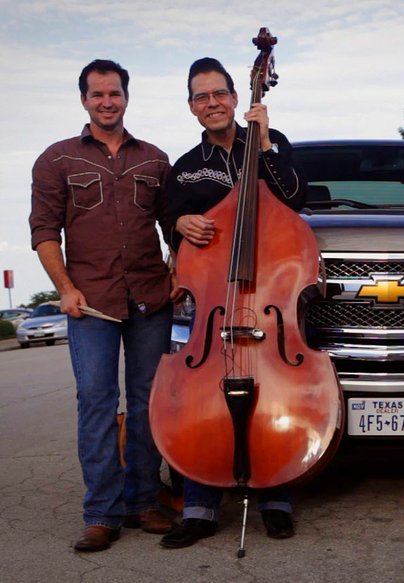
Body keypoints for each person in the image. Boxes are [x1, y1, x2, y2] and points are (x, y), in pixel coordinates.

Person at [29, 59, 178, 552]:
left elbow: (174, 226)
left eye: (114, 93)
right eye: (98, 95)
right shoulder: (56, 160)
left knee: (147, 403)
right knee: (95, 402)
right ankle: (101, 513)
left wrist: (178, 272)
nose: (107, 102)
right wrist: (65, 287)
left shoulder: (155, 160)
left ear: (127, 97)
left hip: (150, 299)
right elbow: (45, 232)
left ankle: (142, 502)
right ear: (84, 100)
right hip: (89, 304)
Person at [159, 57, 308, 549]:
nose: (212, 103)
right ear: (191, 107)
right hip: (215, 308)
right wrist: (179, 225)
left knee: (276, 394)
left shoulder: (271, 142)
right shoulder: (183, 171)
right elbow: (170, 226)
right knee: (201, 399)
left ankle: (276, 501)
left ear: (235, 96)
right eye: (201, 97)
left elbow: (293, 198)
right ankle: (200, 508)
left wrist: (264, 143)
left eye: (219, 93)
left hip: (268, 301)